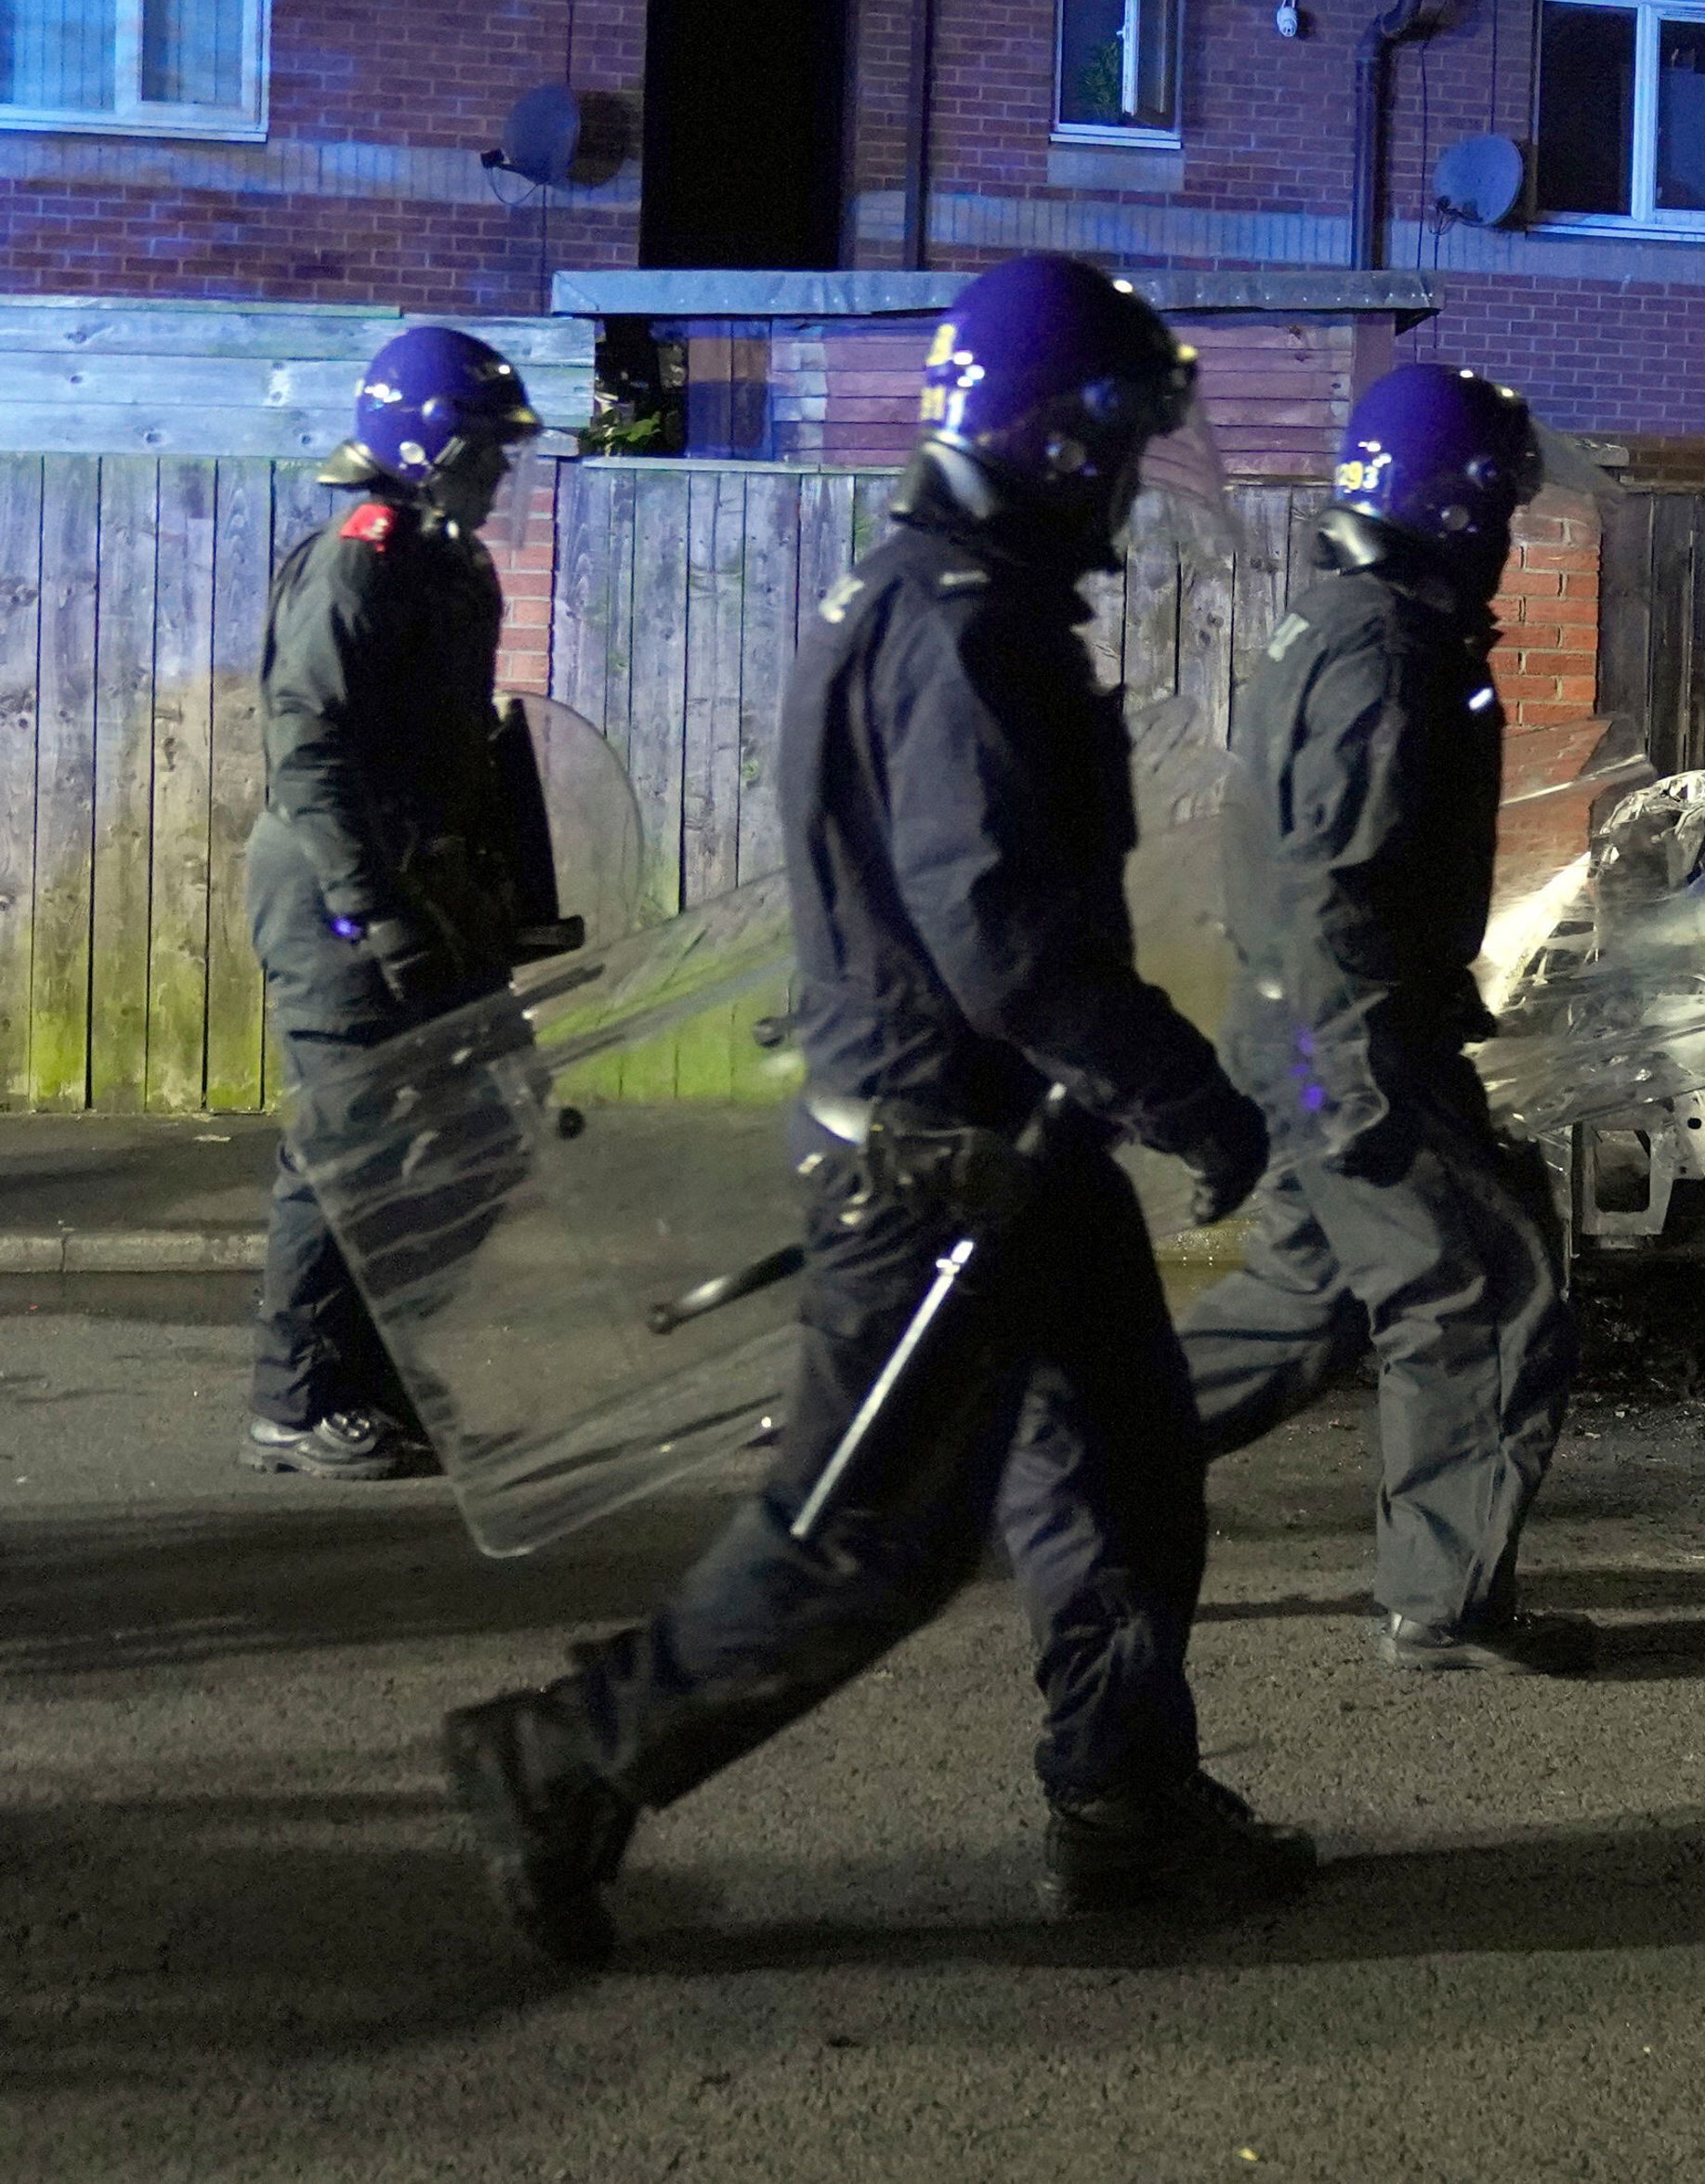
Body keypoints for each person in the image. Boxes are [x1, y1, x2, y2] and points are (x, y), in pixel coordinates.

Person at [441, 255, 1300, 1965]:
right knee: (867, 1547)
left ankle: (1123, 1798)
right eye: (1121, 438)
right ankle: (561, 1758)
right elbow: (1005, 941)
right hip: (939, 1172)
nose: (1135, 475)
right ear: (1054, 439)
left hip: (1016, 1151)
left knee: (1127, 1473)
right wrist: (1191, 1095)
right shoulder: (968, 627)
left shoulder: (944, 593)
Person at [1178, 364, 1591, 1676]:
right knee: (1482, 1292)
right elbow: (1333, 887)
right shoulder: (1388, 645)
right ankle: (1444, 1608)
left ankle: (1050, 1451)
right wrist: (1360, 1073)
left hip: (1313, 1034)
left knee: (1306, 1303)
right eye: (1502, 511)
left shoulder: (1350, 619)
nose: (1512, 537)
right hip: (1343, 1041)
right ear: (1457, 504)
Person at [241, 329, 542, 1481]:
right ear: (434, 447)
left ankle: (374, 1371)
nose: (503, 473)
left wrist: (491, 892)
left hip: (428, 888)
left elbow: (447, 751)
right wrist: (378, 914)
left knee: (498, 1125)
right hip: (335, 896)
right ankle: (298, 1398)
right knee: (346, 1146)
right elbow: (308, 748)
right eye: (490, 451)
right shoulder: (358, 559)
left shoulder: (444, 560)